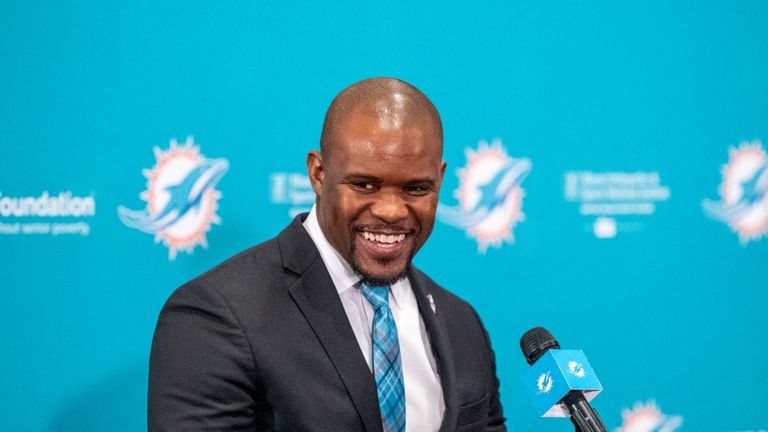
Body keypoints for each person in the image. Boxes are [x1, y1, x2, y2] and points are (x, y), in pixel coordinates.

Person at [148, 78, 506, 432]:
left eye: (416, 188)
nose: (392, 211)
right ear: (319, 174)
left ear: (440, 180)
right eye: (365, 184)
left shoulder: (462, 323)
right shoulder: (216, 316)